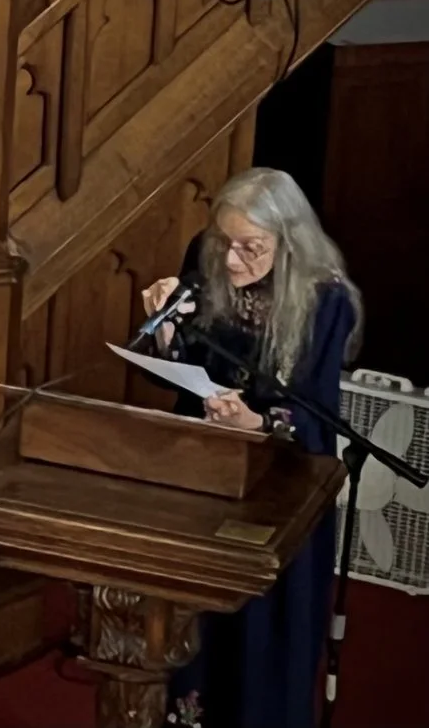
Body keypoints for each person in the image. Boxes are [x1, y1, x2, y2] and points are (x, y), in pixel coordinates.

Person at [140, 168, 363, 728]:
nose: (232, 259)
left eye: (251, 247)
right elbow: (178, 369)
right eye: (224, 241)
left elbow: (318, 412)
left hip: (281, 480)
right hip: (204, 467)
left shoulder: (325, 297)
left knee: (261, 634)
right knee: (196, 622)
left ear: (288, 243)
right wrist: (166, 335)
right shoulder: (208, 258)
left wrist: (259, 422)